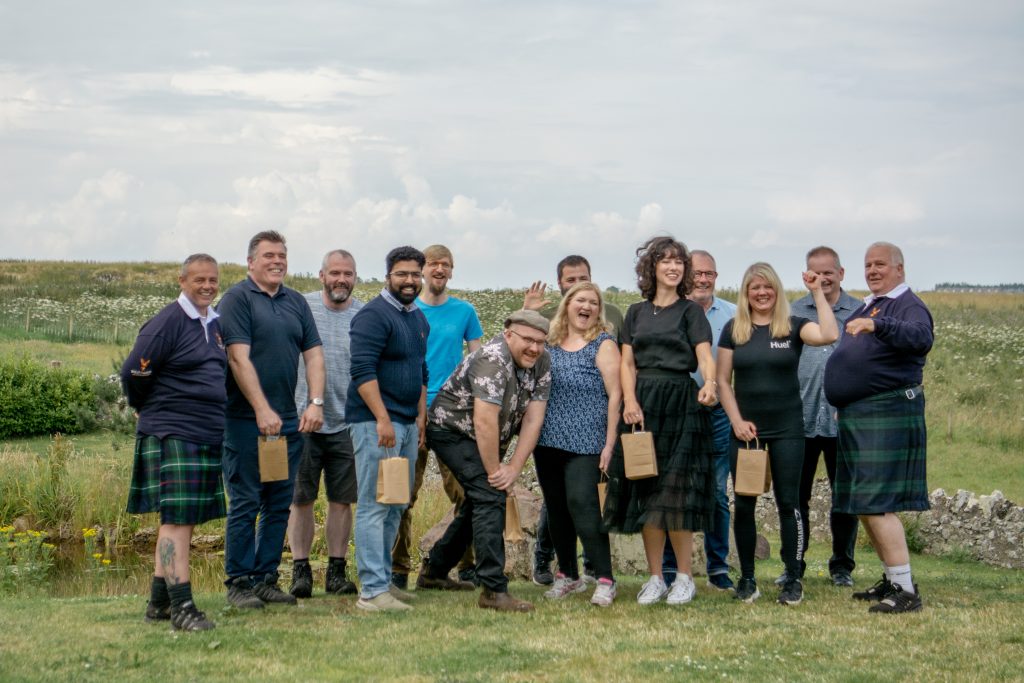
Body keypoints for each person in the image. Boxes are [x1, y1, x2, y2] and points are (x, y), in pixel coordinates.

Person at [603, 235, 718, 607]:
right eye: (665, 260)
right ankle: (656, 578)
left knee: (677, 495)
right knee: (647, 495)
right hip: (642, 407)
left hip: (681, 404)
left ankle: (684, 578)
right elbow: (627, 363)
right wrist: (631, 401)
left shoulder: (691, 312)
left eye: (679, 262)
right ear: (651, 267)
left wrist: (711, 384)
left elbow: (704, 355)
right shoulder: (635, 312)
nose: (673, 266)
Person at [716, 262, 838, 606]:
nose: (761, 293)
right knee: (744, 504)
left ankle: (792, 578)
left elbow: (829, 334)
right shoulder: (733, 330)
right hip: (747, 433)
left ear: (777, 290)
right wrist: (736, 421)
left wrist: (817, 291)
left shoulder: (794, 326)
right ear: (746, 293)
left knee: (789, 503)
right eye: (754, 288)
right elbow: (723, 381)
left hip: (788, 429)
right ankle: (748, 578)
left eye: (767, 287)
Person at [416, 310, 550, 613]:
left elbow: (533, 419)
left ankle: (434, 571)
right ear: (508, 334)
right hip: (451, 431)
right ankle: (493, 589)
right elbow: (485, 420)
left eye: (540, 342)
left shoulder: (542, 360)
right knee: (490, 495)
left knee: (479, 500)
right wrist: (495, 473)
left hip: (485, 436)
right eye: (527, 340)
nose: (534, 347)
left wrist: (514, 467)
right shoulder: (492, 360)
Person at [218, 231, 326, 609]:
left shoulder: (295, 301)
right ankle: (239, 582)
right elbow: (238, 358)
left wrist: (314, 403)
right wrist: (261, 409)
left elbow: (313, 354)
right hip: (245, 421)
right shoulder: (236, 299)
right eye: (268, 255)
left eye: (282, 254)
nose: (277, 261)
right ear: (251, 262)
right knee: (246, 500)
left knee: (279, 501)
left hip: (286, 425)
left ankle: (265, 578)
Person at [825, 242, 934, 614]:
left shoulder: (907, 305)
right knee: (863, 503)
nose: (872, 270)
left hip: (887, 411)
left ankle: (905, 591)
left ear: (899, 269)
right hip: (860, 414)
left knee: (877, 503)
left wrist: (878, 323)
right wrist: (845, 401)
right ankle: (892, 578)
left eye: (880, 264)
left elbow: (922, 339)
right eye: (868, 265)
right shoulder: (871, 303)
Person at [123, 254, 227, 631]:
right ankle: (183, 608)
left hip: (204, 432)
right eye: (199, 279)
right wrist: (144, 406)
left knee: (184, 522)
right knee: (176, 522)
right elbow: (134, 369)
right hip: (172, 432)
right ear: (182, 280)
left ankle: (158, 603)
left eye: (213, 280)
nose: (207, 286)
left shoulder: (214, 323)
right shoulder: (168, 321)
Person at [522, 254, 623, 586]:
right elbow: (513, 353)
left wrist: (610, 444)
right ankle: (567, 573)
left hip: (587, 441)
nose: (587, 305)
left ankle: (605, 578)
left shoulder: (604, 343)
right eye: (580, 299)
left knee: (583, 505)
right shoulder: (548, 342)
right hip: (548, 440)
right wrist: (529, 312)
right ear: (566, 304)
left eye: (593, 301)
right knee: (557, 508)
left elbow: (616, 397)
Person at [391, 244, 483, 590]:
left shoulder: (465, 312)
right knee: (402, 494)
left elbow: (479, 360)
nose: (439, 270)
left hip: (453, 412)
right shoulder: (407, 311)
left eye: (446, 265)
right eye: (433, 264)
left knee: (465, 492)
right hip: (408, 411)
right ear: (422, 270)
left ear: (451, 271)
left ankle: (465, 564)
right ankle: (398, 569)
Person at [347, 246, 430, 612]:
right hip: (376, 424)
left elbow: (421, 371)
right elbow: (362, 372)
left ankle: (384, 582)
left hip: (408, 423)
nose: (409, 281)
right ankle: (371, 591)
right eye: (402, 274)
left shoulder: (417, 319)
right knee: (374, 504)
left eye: (415, 274)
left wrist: (420, 418)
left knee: (396, 503)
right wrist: (382, 419)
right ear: (388, 276)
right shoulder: (373, 316)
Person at [287, 250, 363, 598]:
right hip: (302, 420)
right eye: (335, 273)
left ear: (355, 279)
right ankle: (300, 571)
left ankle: (336, 571)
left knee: (342, 501)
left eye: (347, 274)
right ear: (321, 276)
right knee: (300, 499)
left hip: (347, 422)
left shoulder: (364, 315)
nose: (341, 280)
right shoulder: (301, 308)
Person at [662, 249, 738, 591]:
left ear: (716, 277)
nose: (703, 279)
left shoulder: (734, 316)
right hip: (676, 411)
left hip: (718, 413)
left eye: (709, 274)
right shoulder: (667, 312)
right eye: (697, 273)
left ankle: (718, 567)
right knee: (671, 490)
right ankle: (667, 569)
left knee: (716, 493)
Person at [787, 246, 862, 588]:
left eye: (828, 272)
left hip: (842, 420)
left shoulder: (859, 311)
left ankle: (842, 566)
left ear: (841, 273)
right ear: (806, 274)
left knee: (843, 496)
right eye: (815, 273)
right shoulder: (793, 312)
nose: (822, 278)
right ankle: (795, 564)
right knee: (796, 496)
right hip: (801, 419)